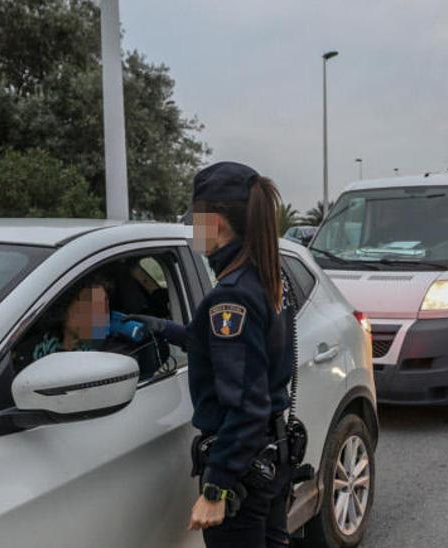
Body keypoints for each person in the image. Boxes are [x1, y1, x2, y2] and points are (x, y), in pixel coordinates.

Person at [131, 161, 295, 547]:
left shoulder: (231, 296)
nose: (193, 231)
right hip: (270, 454)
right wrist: (160, 328)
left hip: (242, 468)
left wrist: (216, 488)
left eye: (196, 221)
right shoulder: (264, 276)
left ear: (216, 223)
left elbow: (245, 403)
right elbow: (230, 350)